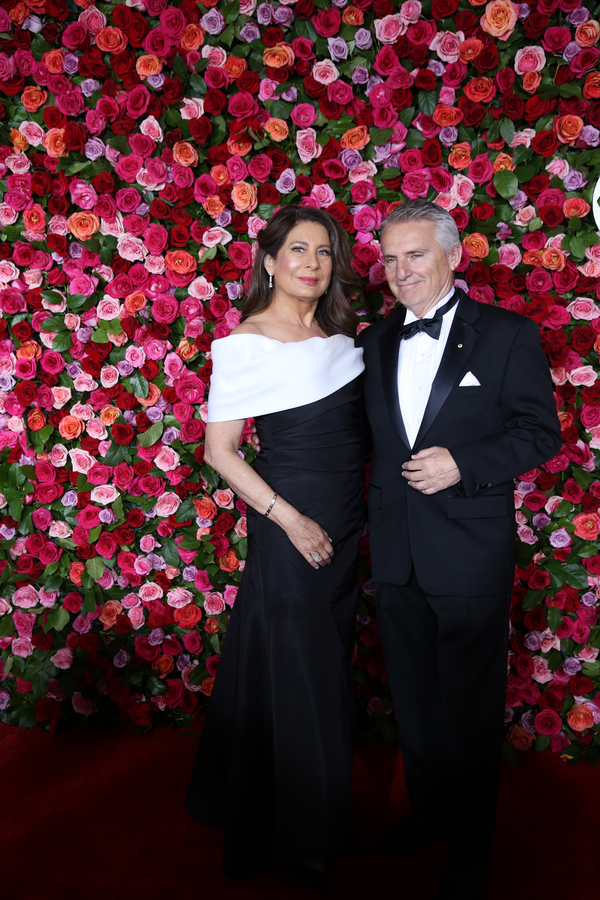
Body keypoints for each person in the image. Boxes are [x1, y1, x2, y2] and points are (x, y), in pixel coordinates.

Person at [356, 199, 562, 900]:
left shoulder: (506, 336)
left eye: (414, 255)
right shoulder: (376, 341)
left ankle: (472, 848)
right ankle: (430, 815)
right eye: (389, 258)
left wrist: (464, 464)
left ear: (453, 256)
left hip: (470, 550)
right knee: (413, 698)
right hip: (395, 551)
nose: (400, 271)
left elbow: (541, 433)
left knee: (469, 706)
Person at [185, 206, 366, 893]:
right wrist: (288, 519)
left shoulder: (344, 340)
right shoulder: (245, 343)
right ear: (268, 260)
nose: (312, 263)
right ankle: (304, 833)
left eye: (324, 251)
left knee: (308, 659)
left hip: (346, 528)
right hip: (291, 525)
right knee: (305, 670)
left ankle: (240, 793)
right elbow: (219, 452)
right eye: (298, 249)